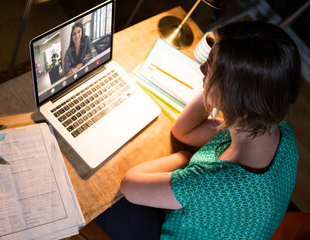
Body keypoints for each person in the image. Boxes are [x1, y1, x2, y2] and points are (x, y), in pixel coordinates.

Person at [95, 21, 302, 239]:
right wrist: (216, 88)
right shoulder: (277, 130)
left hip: (175, 229)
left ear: (233, 91)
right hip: (220, 216)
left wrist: (184, 158)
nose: (201, 68)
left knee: (101, 192)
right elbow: (183, 132)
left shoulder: (212, 184)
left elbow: (130, 184)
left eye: (210, 66)